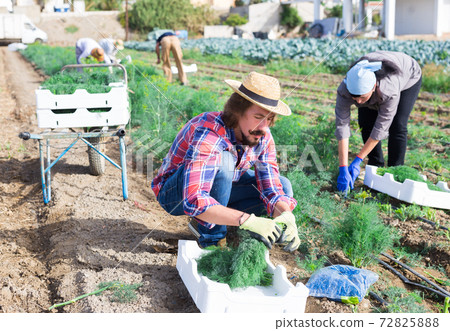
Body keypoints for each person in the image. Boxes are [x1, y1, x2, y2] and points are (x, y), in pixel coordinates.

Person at [151, 72, 300, 252]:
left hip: (221, 187)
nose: (264, 127)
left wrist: (286, 214)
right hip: (175, 194)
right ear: (238, 111)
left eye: (269, 119)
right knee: (225, 162)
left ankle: (233, 226)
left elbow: (272, 189)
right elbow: (193, 198)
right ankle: (212, 238)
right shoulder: (209, 132)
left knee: (283, 185)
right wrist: (248, 220)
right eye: (258, 117)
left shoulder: (262, 135)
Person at [335, 51, 422, 193]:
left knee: (397, 125)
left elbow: (381, 128)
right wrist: (343, 167)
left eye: (361, 97)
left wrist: (357, 160)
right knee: (365, 122)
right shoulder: (345, 90)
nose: (357, 101)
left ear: (373, 86)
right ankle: (376, 165)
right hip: (373, 88)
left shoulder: (389, 89)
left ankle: (395, 171)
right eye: (354, 97)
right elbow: (342, 127)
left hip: (408, 76)